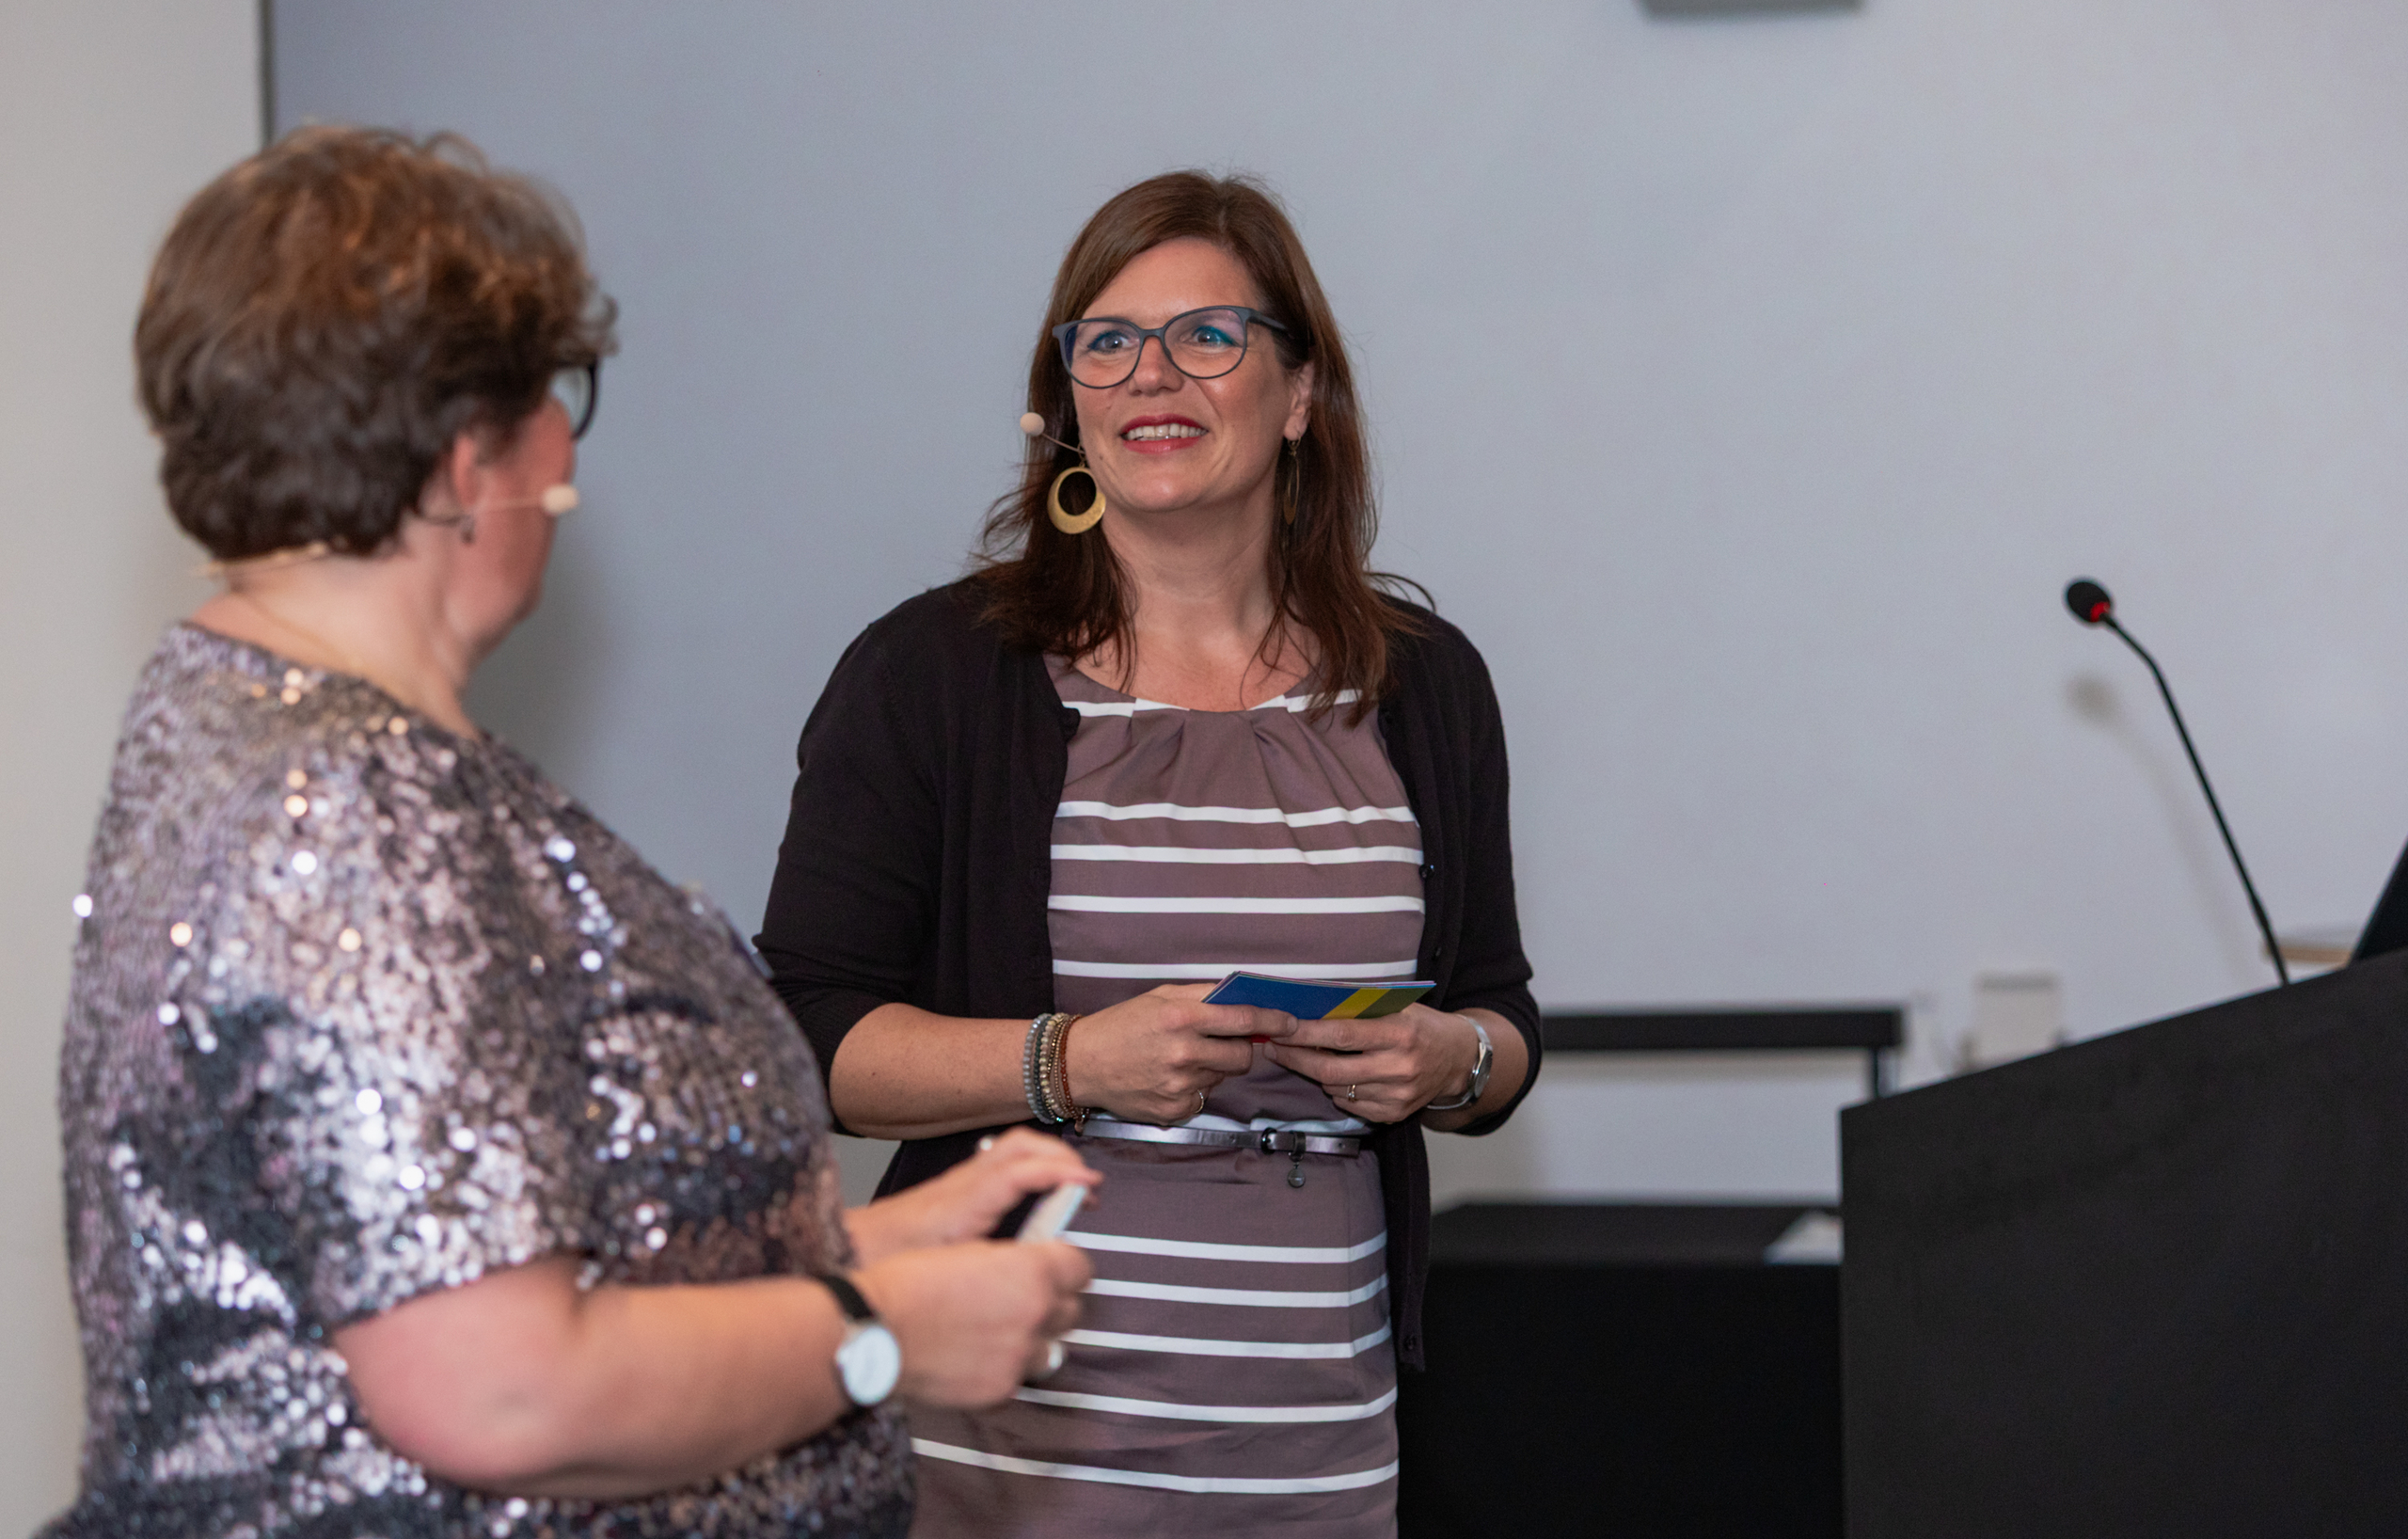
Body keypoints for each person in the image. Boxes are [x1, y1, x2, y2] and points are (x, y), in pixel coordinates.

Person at [44, 126, 1096, 1539]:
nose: (566, 446)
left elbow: (447, 1253)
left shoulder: (243, 723)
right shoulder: (348, 810)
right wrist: (881, 1330)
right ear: (465, 452)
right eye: (555, 391)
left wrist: (850, 1250)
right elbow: (498, 1392)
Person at [757, 171, 1543, 1536]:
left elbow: (1499, 1014)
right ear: (1065, 404)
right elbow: (801, 1033)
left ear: (1299, 394)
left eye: (1207, 335)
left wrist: (1450, 1062)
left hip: (1315, 1441)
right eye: (1107, 341)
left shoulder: (1426, 685)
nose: (1151, 374)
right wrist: (1068, 1061)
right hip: (1003, 1446)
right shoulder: (933, 675)